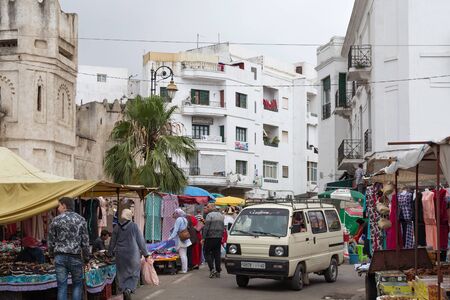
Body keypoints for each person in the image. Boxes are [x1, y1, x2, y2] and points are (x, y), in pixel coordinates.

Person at [48, 197, 90, 300]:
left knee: (62, 286)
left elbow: (50, 241)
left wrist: (51, 256)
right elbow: (85, 242)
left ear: (64, 205)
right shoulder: (81, 220)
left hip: (60, 257)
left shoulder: (56, 220)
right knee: (77, 285)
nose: (58, 208)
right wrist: (86, 258)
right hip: (75, 257)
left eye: (59, 205)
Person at [109, 209, 150, 300]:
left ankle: (124, 290)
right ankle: (129, 289)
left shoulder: (116, 227)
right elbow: (140, 241)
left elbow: (112, 242)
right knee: (134, 273)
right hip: (132, 254)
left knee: (121, 274)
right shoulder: (134, 226)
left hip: (120, 254)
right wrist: (146, 254)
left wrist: (109, 253)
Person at [202, 203, 225, 279]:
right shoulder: (221, 215)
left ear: (212, 207)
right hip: (218, 237)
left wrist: (203, 237)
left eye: (208, 207)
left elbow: (206, 227)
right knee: (217, 254)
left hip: (210, 237)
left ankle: (212, 269)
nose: (207, 208)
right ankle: (218, 270)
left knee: (207, 252)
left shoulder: (209, 215)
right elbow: (223, 227)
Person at [168, 209, 192, 274]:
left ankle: (184, 270)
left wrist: (170, 238)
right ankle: (184, 269)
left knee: (182, 255)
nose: (174, 214)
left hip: (180, 239)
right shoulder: (184, 219)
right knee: (184, 254)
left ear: (177, 213)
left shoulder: (178, 219)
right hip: (185, 238)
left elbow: (176, 230)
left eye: (175, 213)